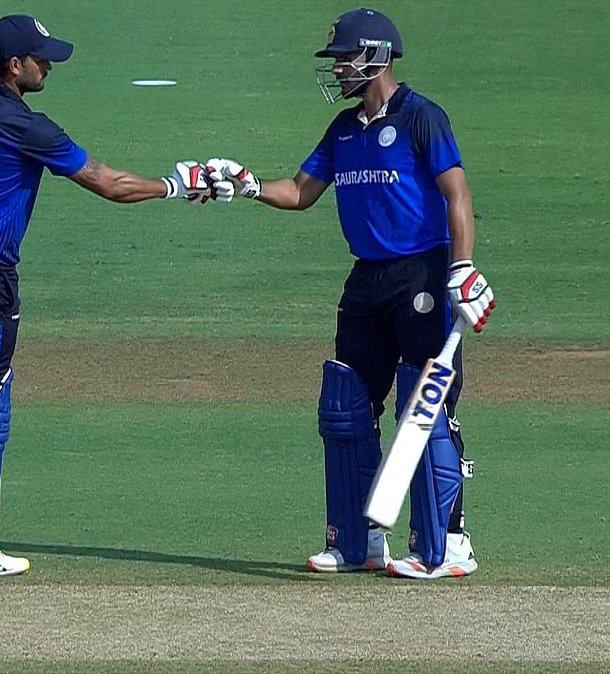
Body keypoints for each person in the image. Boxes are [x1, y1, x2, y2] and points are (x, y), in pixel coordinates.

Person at [0, 14, 219, 577]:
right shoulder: (26, 126)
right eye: (41, 59)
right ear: (14, 66)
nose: (49, 65)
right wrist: (177, 184)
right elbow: (108, 183)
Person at [205, 8, 495, 579]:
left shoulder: (422, 117)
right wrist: (248, 185)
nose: (338, 68)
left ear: (377, 57)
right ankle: (355, 541)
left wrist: (461, 269)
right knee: (347, 407)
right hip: (367, 279)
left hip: (422, 274)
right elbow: (300, 192)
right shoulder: (343, 129)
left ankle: (448, 543)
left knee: (426, 405)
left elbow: (457, 195)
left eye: (345, 57)